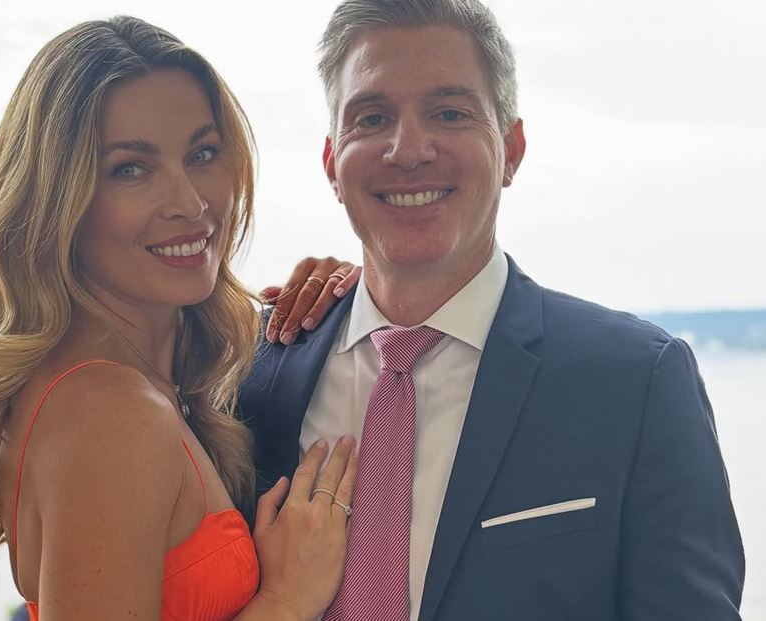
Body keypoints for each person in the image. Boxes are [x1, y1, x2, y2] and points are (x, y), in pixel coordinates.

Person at [241, 1, 745, 619]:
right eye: (372, 118)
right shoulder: (252, 374)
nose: (408, 150)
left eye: (449, 112)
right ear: (331, 165)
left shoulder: (638, 382)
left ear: (511, 149)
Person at [0, 16, 362, 621]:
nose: (190, 202)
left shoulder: (134, 387)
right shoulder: (112, 412)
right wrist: (286, 601)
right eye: (131, 169)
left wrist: (350, 295)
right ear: (59, 201)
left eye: (202, 154)